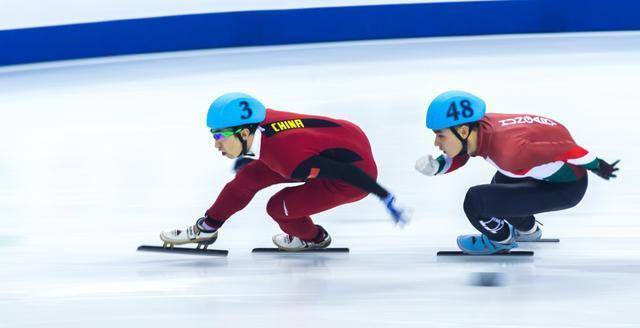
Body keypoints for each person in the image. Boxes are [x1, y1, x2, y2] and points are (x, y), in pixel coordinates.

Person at [160, 92, 410, 251]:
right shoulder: (258, 122)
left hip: (353, 173)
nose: (216, 144)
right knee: (247, 178)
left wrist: (384, 196)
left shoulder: (288, 158)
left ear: (245, 133)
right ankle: (206, 228)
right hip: (341, 135)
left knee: (278, 208)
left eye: (219, 136)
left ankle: (315, 238)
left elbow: (345, 173)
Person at [415, 91, 619, 255]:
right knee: (501, 183)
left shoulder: (509, 151)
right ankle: (528, 231)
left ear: (462, 131)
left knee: (477, 201)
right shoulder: (481, 128)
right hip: (540, 173)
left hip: (565, 189)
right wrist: (438, 166)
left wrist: (600, 166)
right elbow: (463, 151)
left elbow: (568, 149)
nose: (437, 143)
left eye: (440, 136)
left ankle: (499, 240)